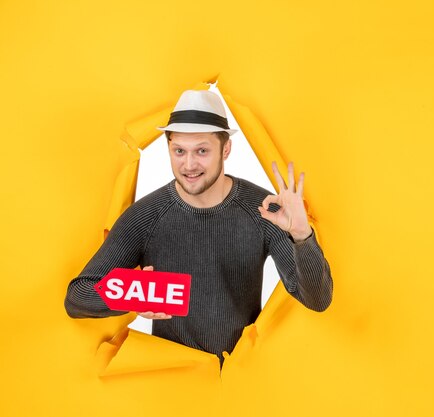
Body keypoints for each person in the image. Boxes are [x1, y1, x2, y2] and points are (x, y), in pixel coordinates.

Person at [64, 89, 333, 363]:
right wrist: (132, 295)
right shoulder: (145, 216)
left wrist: (302, 235)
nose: (189, 164)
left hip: (240, 382)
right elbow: (77, 297)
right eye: (179, 151)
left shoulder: (265, 210)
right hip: (173, 384)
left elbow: (317, 300)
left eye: (202, 151)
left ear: (225, 149)